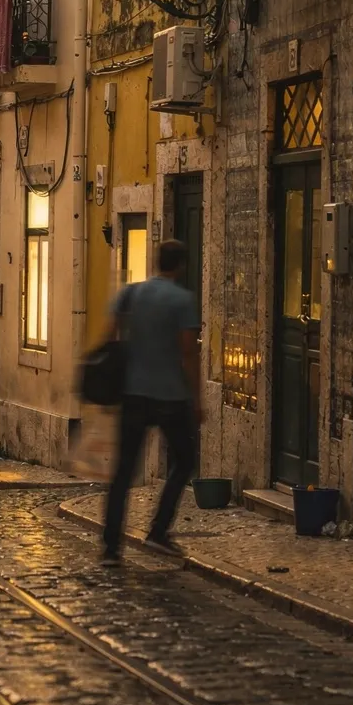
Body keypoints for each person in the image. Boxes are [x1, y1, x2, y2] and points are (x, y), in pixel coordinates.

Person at [102, 239, 203, 561]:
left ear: (157, 262)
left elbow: (108, 337)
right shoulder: (183, 300)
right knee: (185, 461)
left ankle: (110, 547)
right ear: (181, 266)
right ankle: (158, 530)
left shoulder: (131, 293)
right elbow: (189, 353)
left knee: (122, 471)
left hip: (133, 394)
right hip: (171, 396)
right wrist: (196, 398)